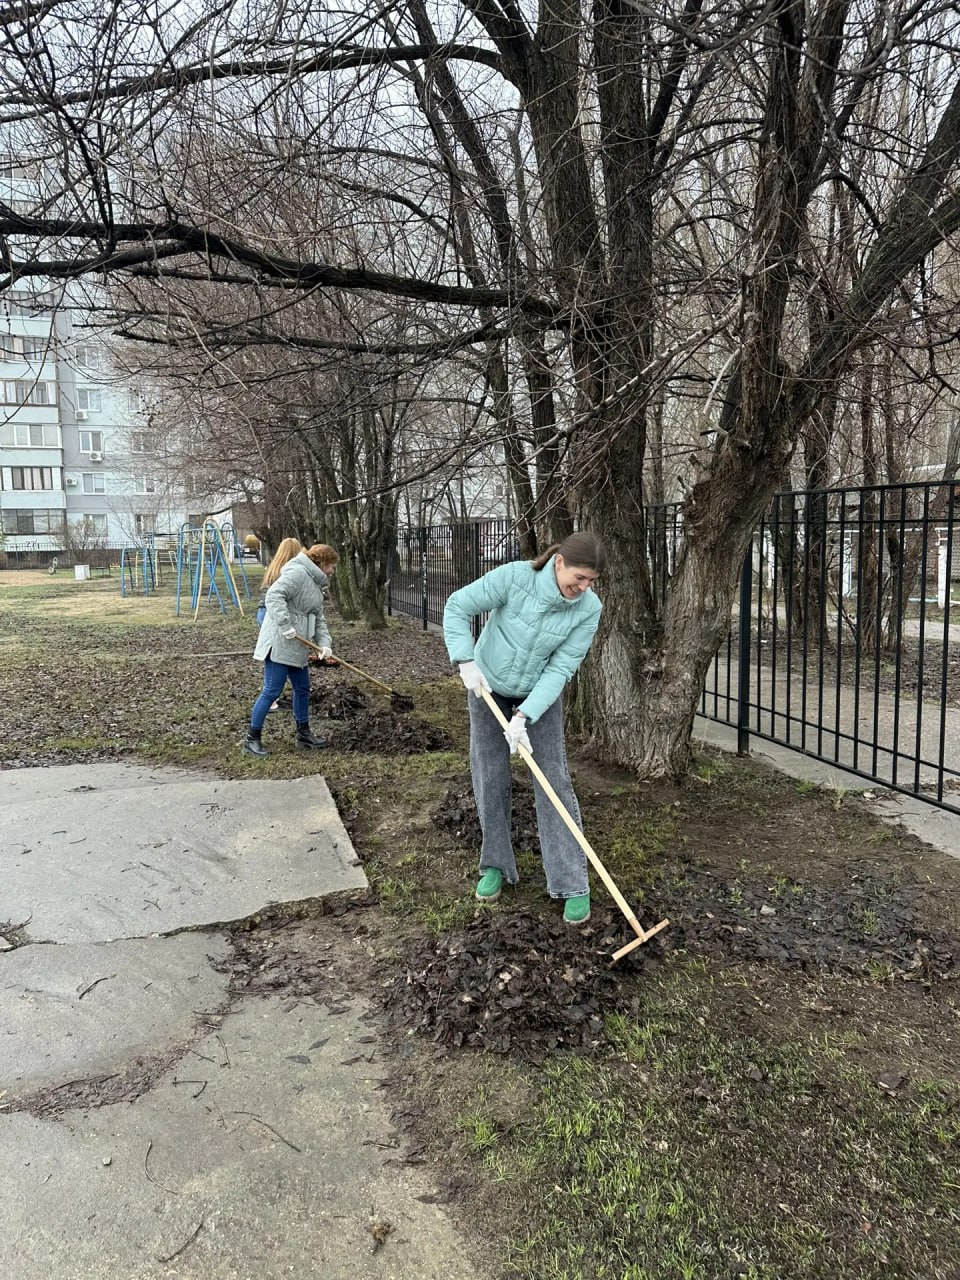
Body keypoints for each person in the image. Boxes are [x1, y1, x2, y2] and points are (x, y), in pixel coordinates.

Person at [442, 531, 606, 925]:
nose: (582, 588)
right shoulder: (515, 578)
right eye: (579, 578)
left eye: (591, 582)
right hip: (487, 684)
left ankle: (571, 882)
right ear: (559, 562)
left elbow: (563, 666)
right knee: (489, 774)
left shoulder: (588, 609)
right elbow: (457, 606)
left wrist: (526, 714)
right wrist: (465, 660)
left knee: (553, 780)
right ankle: (495, 865)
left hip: (539, 695)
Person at [243, 543, 340, 758]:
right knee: (272, 690)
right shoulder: (297, 573)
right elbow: (273, 596)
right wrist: (286, 625)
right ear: (322, 563)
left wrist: (325, 644)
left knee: (303, 688)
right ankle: (252, 739)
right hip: (280, 641)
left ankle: (303, 735)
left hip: (298, 644)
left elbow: (318, 618)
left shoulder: (315, 582)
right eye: (332, 566)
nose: (333, 571)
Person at [256, 537, 303, 711]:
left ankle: (272, 694)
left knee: (273, 653)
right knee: (278, 654)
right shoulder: (289, 570)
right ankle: (271, 697)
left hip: (262, 612)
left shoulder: (273, 567)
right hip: (272, 614)